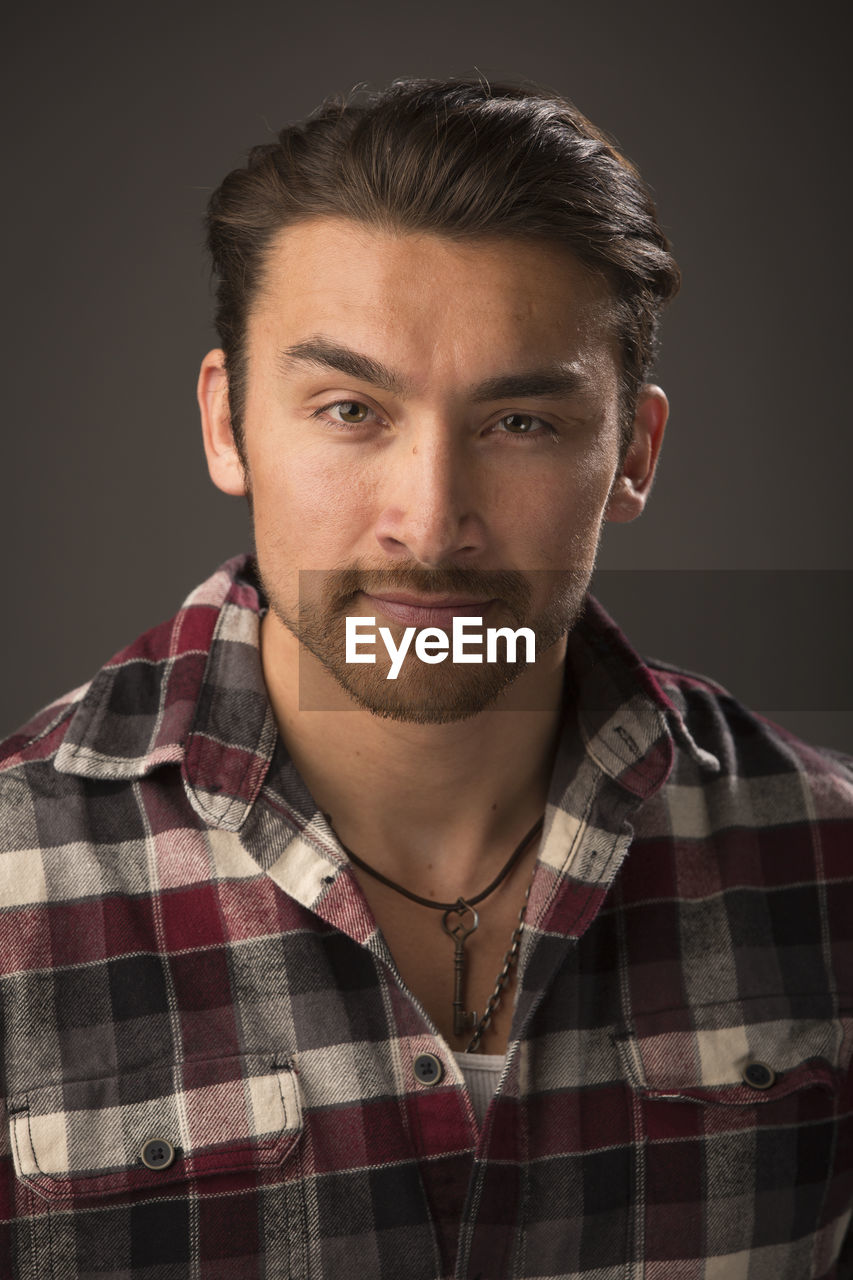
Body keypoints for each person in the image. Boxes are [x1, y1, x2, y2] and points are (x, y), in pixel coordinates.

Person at [1, 76, 850, 1280]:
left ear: (635, 452)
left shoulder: (824, 860)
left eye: (519, 424)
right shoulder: (11, 877)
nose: (430, 519)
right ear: (228, 424)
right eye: (350, 408)